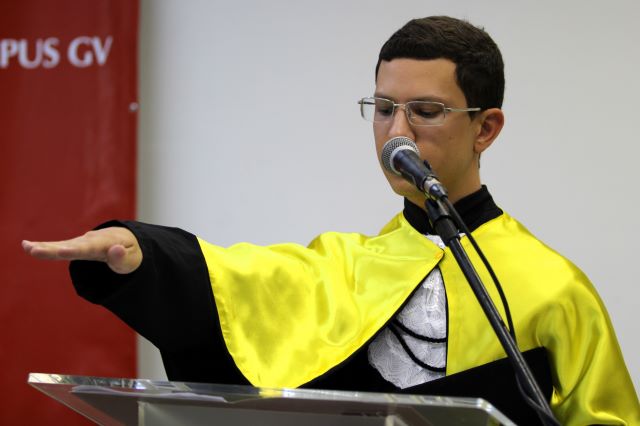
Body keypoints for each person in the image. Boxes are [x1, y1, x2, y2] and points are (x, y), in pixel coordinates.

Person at [23, 16, 639, 425]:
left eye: (425, 111)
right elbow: (239, 280)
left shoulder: (556, 289)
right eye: (384, 108)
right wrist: (142, 253)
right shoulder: (342, 267)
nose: (397, 133)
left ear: (486, 128)